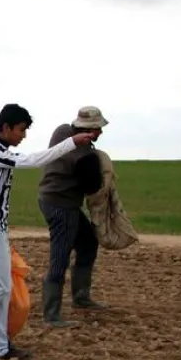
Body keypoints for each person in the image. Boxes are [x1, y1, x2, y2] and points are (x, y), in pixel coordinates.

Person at [0, 103, 99, 360]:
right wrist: (71, 142)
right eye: (21, 130)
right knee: (0, 287)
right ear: (6, 128)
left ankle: (0, 348)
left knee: (3, 287)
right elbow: (32, 160)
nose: (23, 135)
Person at [36, 106, 109, 327]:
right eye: (97, 129)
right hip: (61, 205)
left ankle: (81, 297)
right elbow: (92, 187)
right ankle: (52, 314)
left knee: (87, 242)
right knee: (60, 257)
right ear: (89, 129)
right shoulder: (85, 156)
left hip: (52, 198)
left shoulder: (62, 131)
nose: (100, 134)